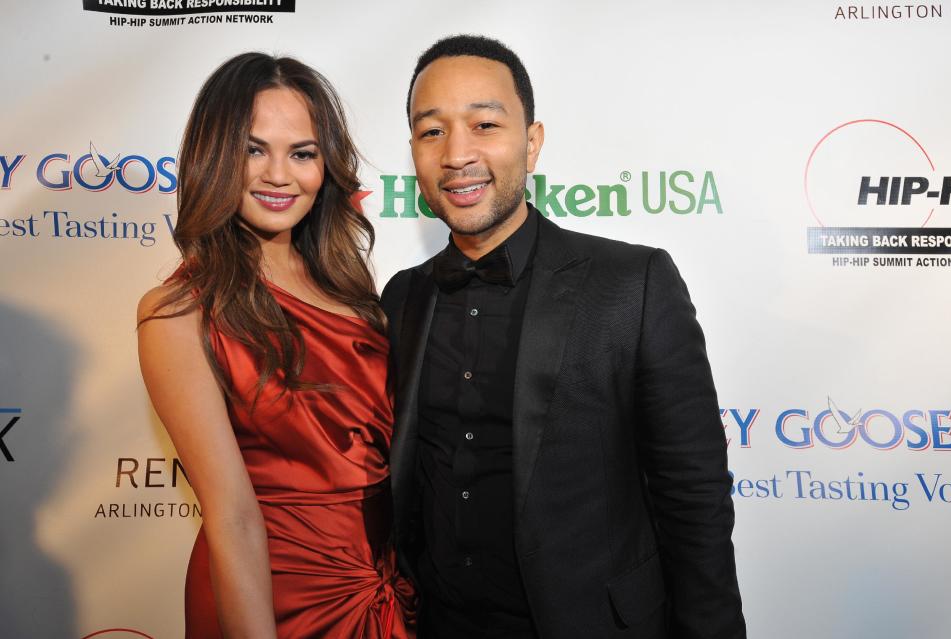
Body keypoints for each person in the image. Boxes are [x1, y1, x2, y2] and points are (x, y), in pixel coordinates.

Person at [381, 35, 746, 639]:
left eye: (485, 124)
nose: (457, 153)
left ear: (531, 144)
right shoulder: (402, 297)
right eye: (432, 132)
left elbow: (694, 496)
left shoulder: (633, 284)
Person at [137, 52, 414, 639]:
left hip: (385, 589)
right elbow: (233, 517)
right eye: (253, 149)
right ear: (215, 157)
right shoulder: (179, 312)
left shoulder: (355, 292)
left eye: (303, 153)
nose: (278, 175)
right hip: (271, 597)